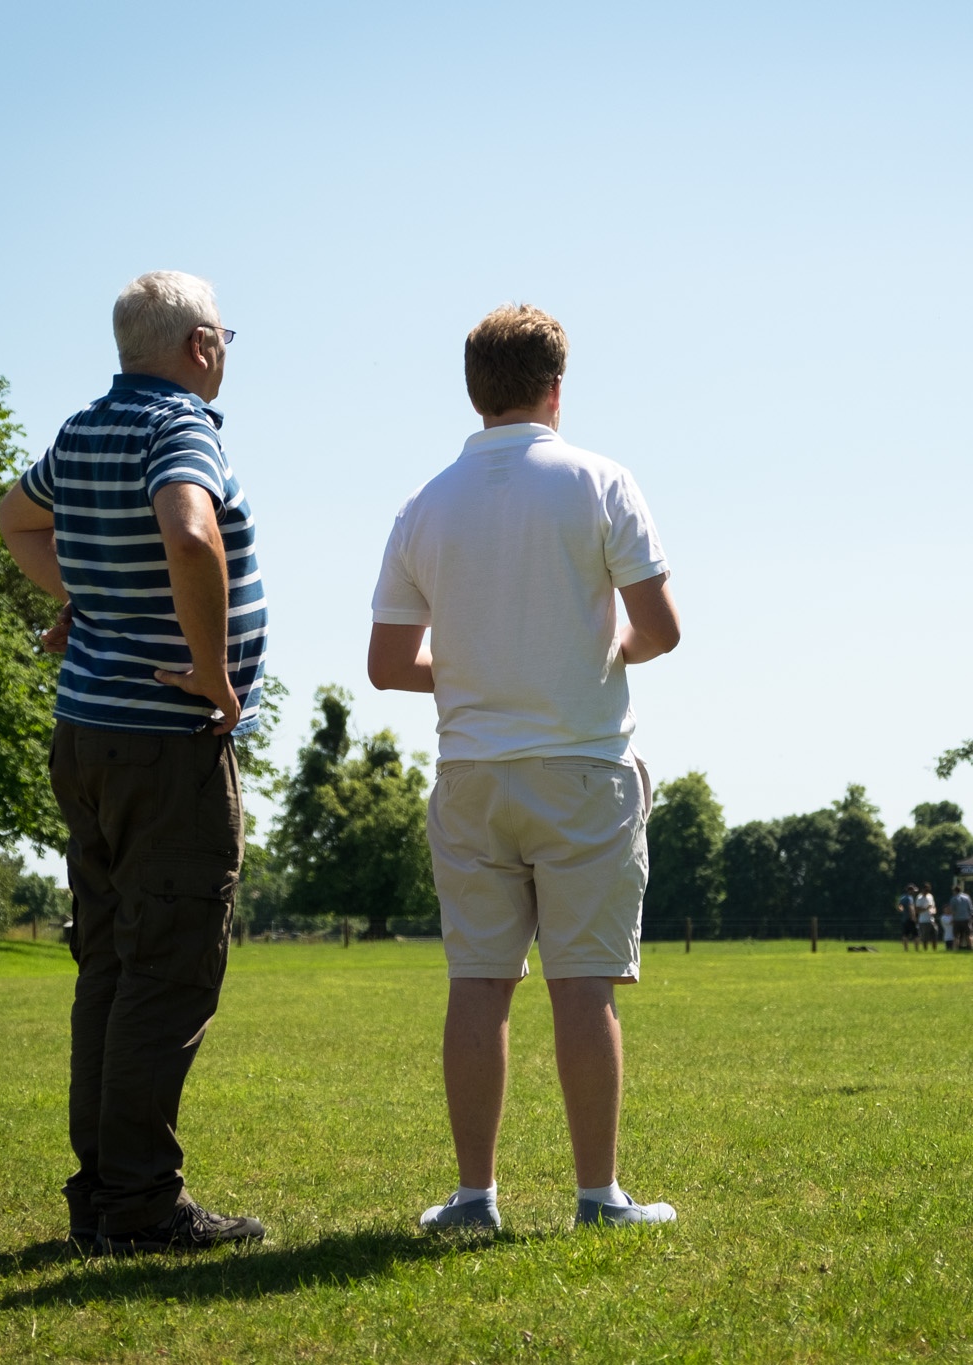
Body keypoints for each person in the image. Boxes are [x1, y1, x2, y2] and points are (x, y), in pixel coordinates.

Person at [369, 303, 683, 1232]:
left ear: (474, 392)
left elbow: (389, 664)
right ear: (556, 388)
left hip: (471, 773)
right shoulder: (599, 480)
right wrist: (600, 653)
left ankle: (475, 1198)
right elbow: (661, 628)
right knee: (582, 986)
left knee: (478, 985)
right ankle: (598, 1197)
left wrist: (475, 671)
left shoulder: (425, 504)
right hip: (583, 768)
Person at [0, 271, 268, 1253]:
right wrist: (213, 673)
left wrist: (90, 595)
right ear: (199, 345)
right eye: (224, 336)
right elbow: (192, 531)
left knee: (110, 964)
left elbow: (14, 518)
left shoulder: (80, 432)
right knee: (168, 967)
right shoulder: (179, 427)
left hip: (88, 738)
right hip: (165, 743)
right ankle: (143, 1205)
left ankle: (104, 1197)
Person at [949, 883, 973, 950]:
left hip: (957, 919)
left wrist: (952, 918)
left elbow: (952, 910)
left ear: (955, 891)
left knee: (956, 936)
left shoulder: (953, 899)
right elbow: (971, 908)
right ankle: (971, 947)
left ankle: (955, 948)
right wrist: (971, 917)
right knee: (969, 934)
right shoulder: (967, 897)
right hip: (966, 919)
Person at [898, 885, 919, 950]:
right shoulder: (910, 898)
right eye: (913, 891)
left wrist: (902, 911)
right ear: (910, 890)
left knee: (905, 935)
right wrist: (913, 917)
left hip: (904, 919)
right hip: (910, 919)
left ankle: (906, 949)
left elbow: (899, 906)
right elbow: (911, 907)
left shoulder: (902, 897)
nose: (914, 892)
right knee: (915, 935)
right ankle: (916, 949)